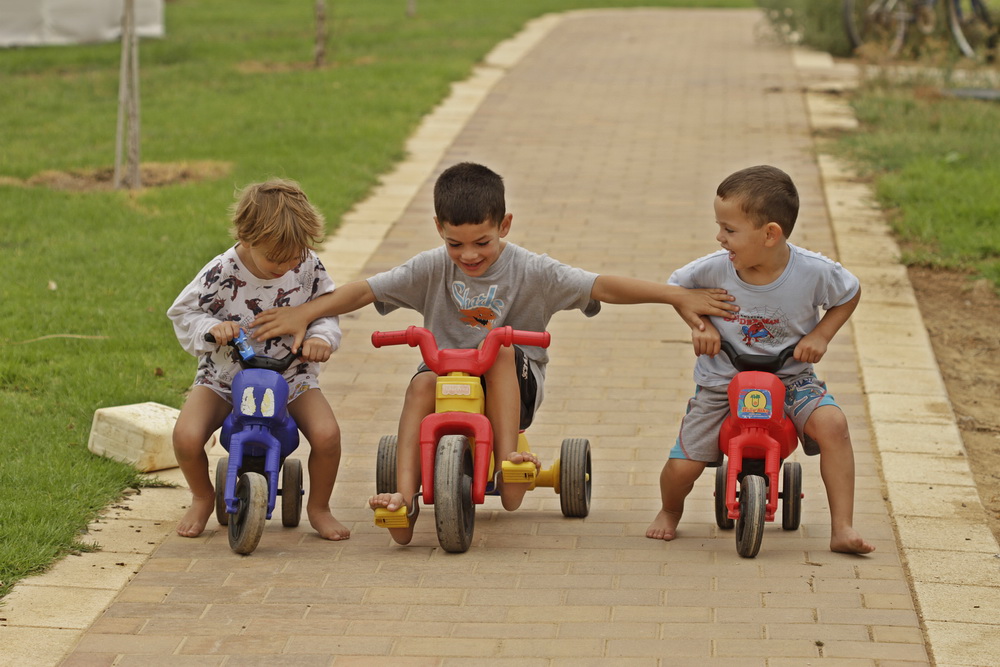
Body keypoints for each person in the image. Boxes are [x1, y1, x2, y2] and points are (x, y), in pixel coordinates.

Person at [252, 162, 739, 545]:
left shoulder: (532, 271)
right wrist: (304, 314)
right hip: (445, 375)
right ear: (439, 227)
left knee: (500, 345)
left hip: (513, 377)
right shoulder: (430, 268)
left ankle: (508, 453)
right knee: (421, 381)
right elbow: (364, 291)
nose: (468, 255)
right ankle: (402, 493)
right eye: (455, 243)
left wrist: (675, 295)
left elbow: (601, 286)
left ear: (504, 224)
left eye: (482, 242)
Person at [645, 165, 874, 554]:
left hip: (791, 380)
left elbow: (849, 293)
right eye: (719, 227)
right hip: (722, 381)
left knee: (834, 425)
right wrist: (700, 324)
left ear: (771, 234)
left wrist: (821, 334)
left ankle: (842, 527)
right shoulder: (714, 269)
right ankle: (669, 510)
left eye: (730, 230)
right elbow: (676, 288)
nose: (720, 238)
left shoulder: (814, 272)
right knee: (683, 466)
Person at [167, 178, 350, 541]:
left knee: (327, 435)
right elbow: (183, 311)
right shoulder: (222, 272)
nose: (285, 267)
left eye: (294, 257)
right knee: (186, 436)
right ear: (247, 239)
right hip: (224, 376)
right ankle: (203, 497)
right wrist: (212, 327)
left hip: (292, 375)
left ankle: (319, 507)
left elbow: (327, 309)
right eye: (275, 259)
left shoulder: (308, 265)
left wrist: (320, 337)